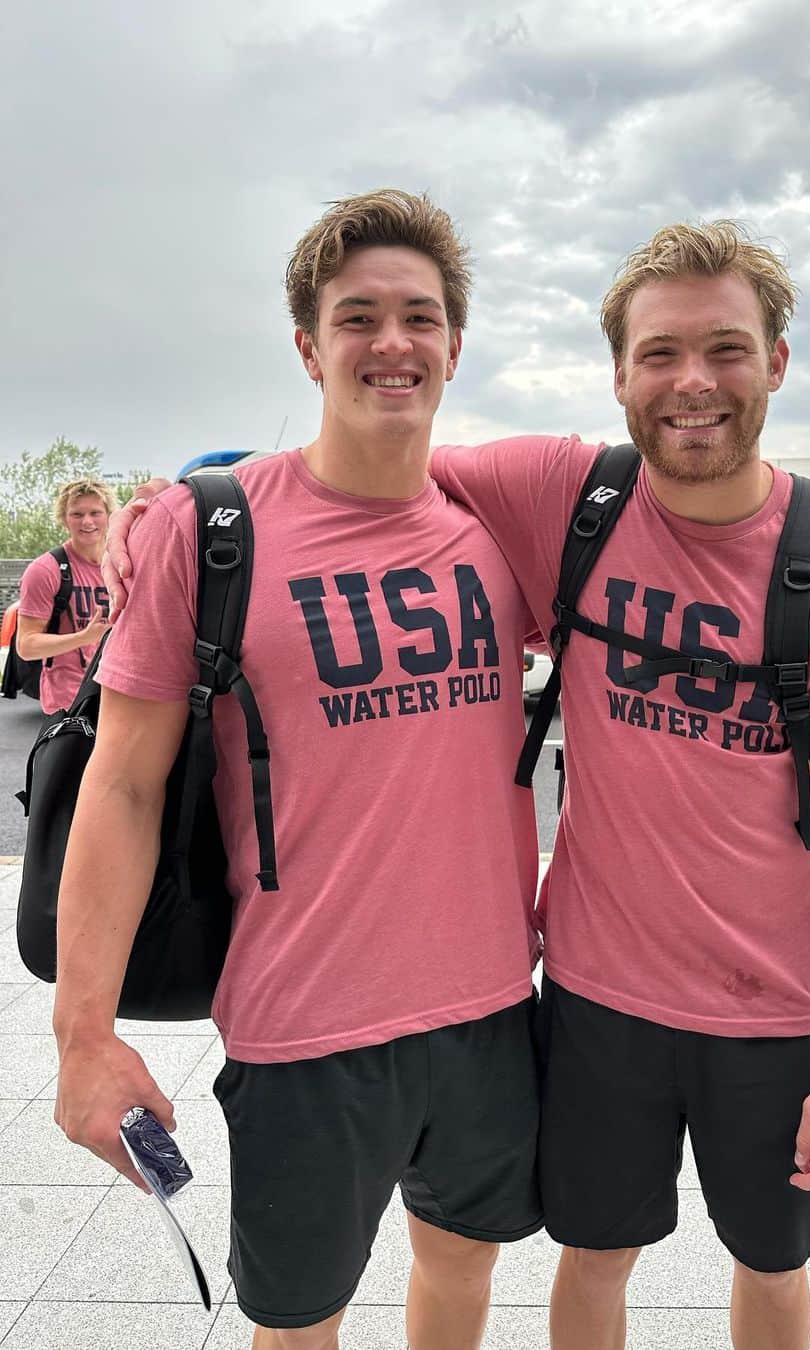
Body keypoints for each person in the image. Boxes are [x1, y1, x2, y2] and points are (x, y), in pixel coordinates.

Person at [108, 219, 810, 1350]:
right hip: (593, 999)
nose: (693, 382)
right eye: (660, 353)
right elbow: (359, 460)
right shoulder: (566, 498)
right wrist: (172, 499)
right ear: (620, 375)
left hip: (776, 1009)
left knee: (774, 1263)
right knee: (591, 1262)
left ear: (777, 363)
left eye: (727, 349)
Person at [53, 192, 544, 1350]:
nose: (391, 343)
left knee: (460, 1281)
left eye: (419, 317)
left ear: (455, 346)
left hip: (491, 1013)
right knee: (297, 1325)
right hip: (303, 1029)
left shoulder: (504, 527)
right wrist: (83, 1034)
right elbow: (120, 787)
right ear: (307, 344)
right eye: (357, 315)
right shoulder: (210, 530)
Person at [14, 477, 115, 712]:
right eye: (77, 514)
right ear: (64, 519)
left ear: (109, 516)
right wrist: (84, 637)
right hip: (68, 703)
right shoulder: (45, 570)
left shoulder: (124, 566)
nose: (87, 522)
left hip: (118, 697)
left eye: (95, 513)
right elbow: (26, 646)